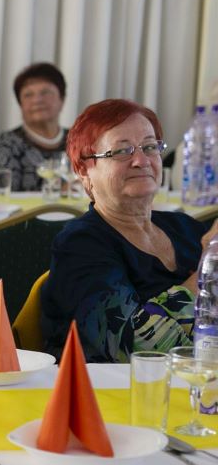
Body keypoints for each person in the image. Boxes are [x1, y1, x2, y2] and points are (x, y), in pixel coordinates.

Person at [42, 99, 213, 361]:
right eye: (122, 151)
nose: (141, 161)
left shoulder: (186, 228)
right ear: (83, 170)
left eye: (150, 147)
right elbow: (136, 348)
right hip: (115, 384)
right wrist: (206, 273)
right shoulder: (79, 245)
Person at [0, 63, 70, 191]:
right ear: (20, 105)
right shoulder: (8, 144)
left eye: (45, 92)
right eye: (28, 95)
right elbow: (2, 195)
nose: (37, 100)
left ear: (62, 99)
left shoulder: (80, 141)